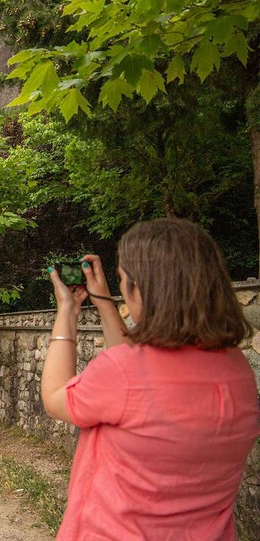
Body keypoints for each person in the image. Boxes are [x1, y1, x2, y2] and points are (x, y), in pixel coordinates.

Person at [42, 218, 259, 539]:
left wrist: (66, 312)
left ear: (141, 289)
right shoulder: (237, 371)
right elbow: (135, 374)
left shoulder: (126, 373)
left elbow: (55, 396)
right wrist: (103, 300)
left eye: (125, 282)